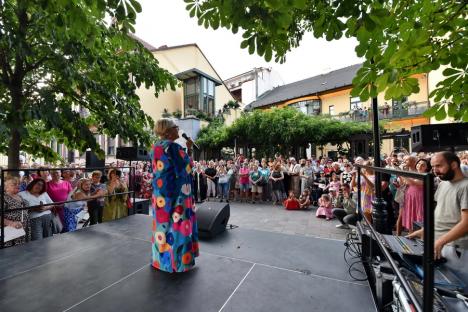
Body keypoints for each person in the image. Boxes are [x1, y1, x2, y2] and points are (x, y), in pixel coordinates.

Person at [408, 152, 468, 282]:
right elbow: (442, 213)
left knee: (456, 291)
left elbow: (466, 223)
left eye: (439, 166)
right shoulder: (443, 183)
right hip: (439, 245)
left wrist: (440, 242)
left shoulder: (465, 186)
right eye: (433, 166)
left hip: (454, 248)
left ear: (454, 165)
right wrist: (423, 231)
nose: (435, 170)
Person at [150, 118, 199, 273]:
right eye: (176, 127)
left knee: (162, 226)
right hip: (177, 194)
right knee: (178, 227)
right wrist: (189, 150)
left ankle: (160, 261)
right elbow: (186, 168)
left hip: (161, 194)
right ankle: (177, 263)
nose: (178, 129)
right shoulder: (173, 147)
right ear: (169, 131)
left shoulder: (155, 147)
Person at [2, 177, 31, 247]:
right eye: (14, 184)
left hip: (24, 229)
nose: (18, 185)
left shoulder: (20, 196)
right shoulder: (3, 198)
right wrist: (11, 223)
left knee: (24, 251)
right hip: (11, 231)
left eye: (19, 184)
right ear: (6, 187)